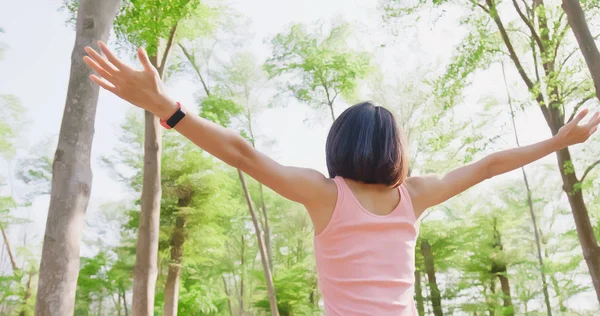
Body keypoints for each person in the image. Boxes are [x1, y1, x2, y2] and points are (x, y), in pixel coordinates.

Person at [83, 41, 600, 315]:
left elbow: (242, 153)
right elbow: (488, 165)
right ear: (398, 150)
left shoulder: (325, 195)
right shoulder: (413, 196)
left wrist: (168, 109)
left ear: (339, 144)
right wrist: (560, 141)